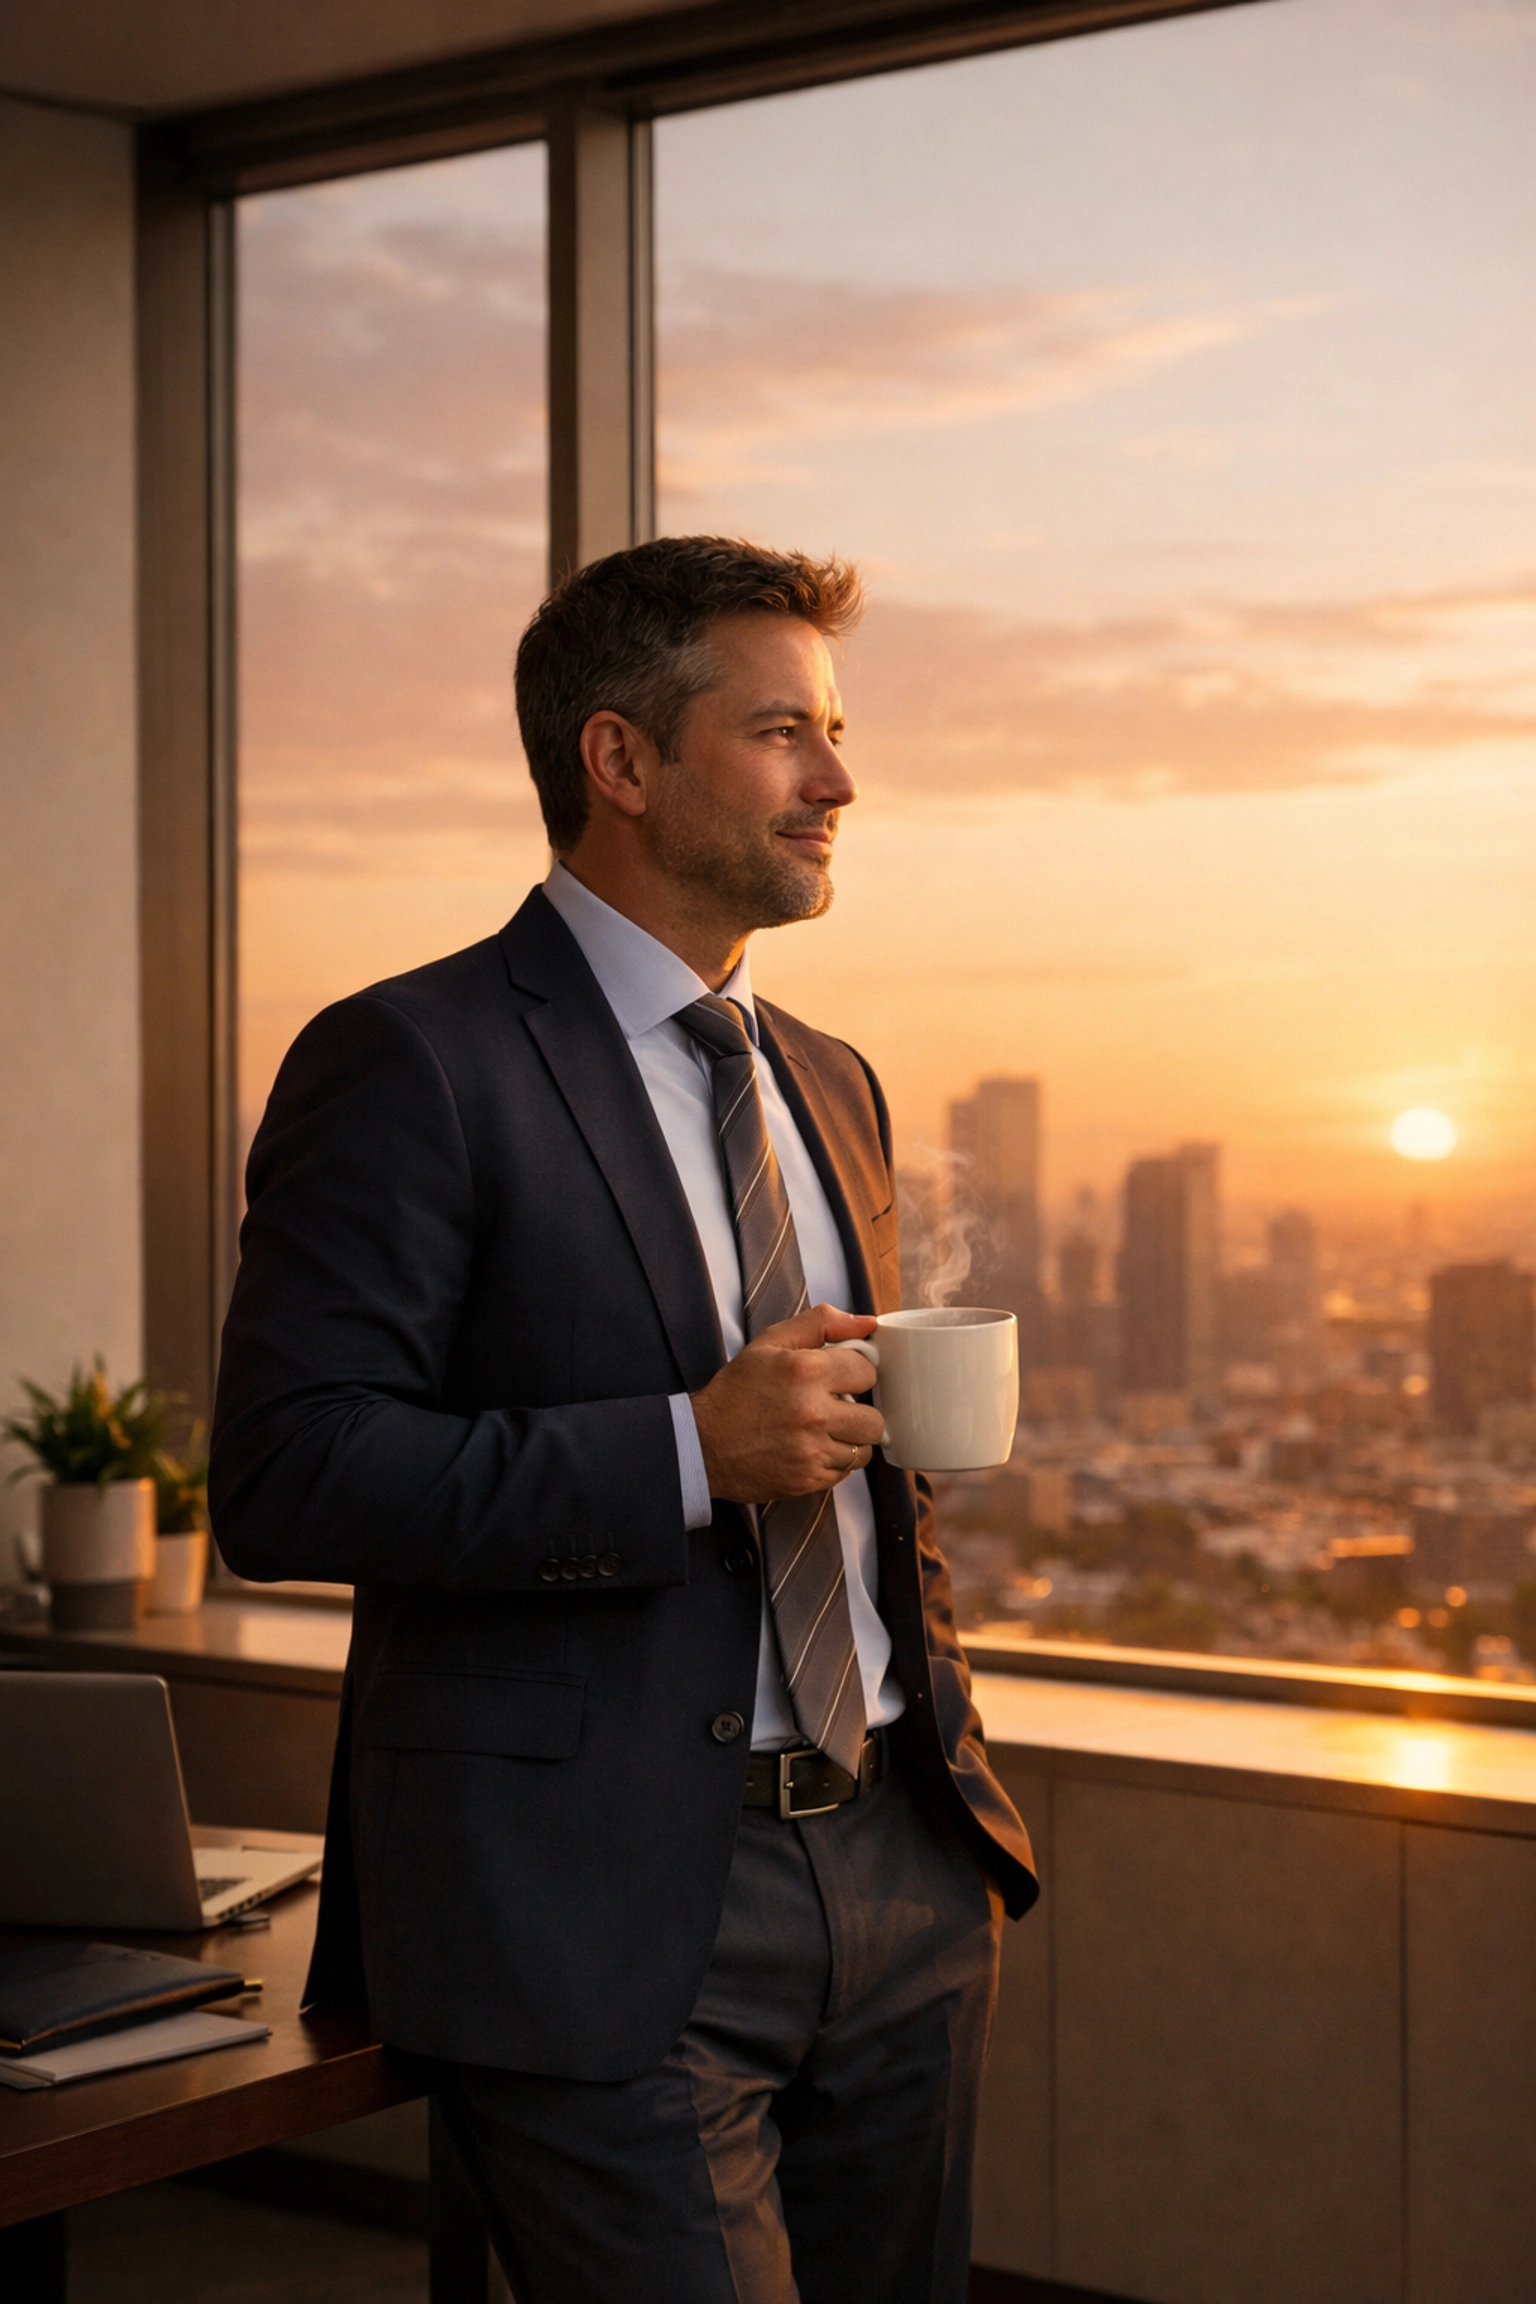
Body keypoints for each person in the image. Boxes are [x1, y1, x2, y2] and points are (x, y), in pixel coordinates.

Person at [210, 536, 1037, 2304]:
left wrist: (941, 1801)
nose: (841, 780)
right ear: (623, 762)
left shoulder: (832, 1077)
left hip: (901, 1864)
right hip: (598, 1903)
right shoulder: (411, 1060)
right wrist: (686, 1450)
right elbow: (284, 1478)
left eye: (836, 730)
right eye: (784, 733)